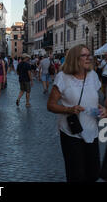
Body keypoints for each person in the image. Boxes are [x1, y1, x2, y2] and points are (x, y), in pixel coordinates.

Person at [47, 44, 107, 182]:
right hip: (71, 133)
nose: (89, 58)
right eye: (84, 55)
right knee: (76, 175)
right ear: (75, 58)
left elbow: (96, 100)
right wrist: (69, 109)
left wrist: (103, 109)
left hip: (92, 132)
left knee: (93, 174)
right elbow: (50, 105)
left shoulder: (93, 76)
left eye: (89, 55)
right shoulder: (62, 77)